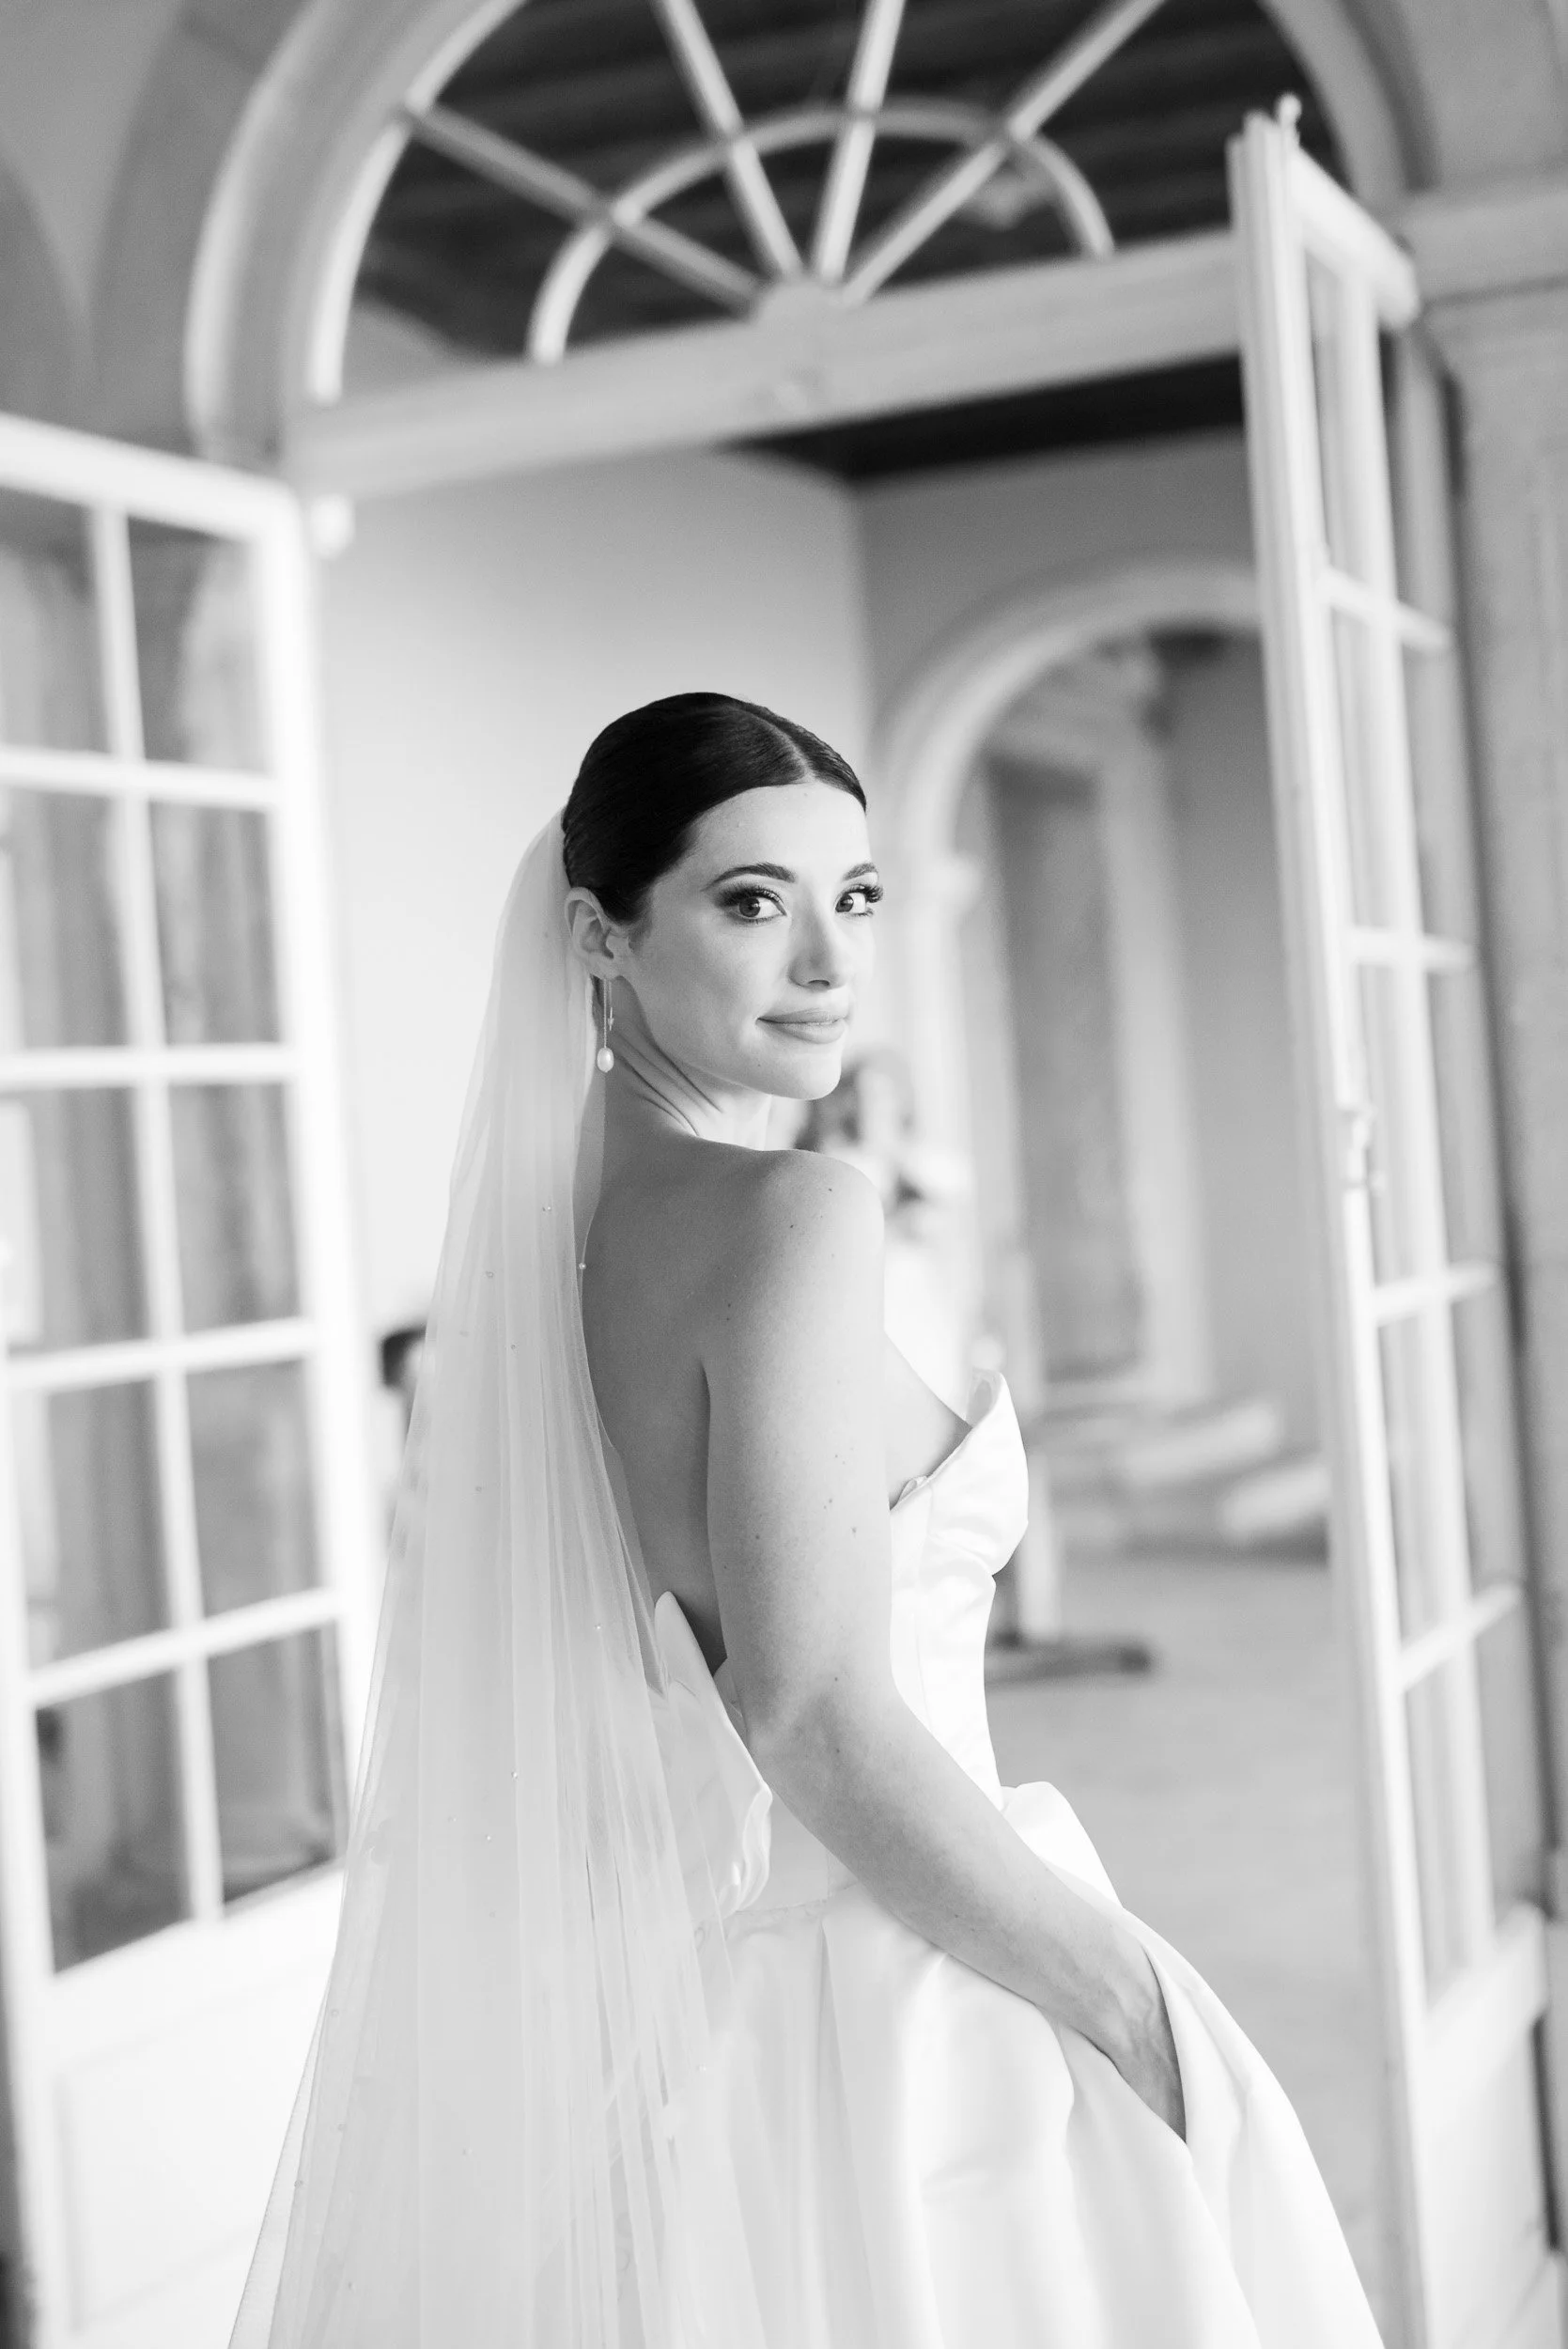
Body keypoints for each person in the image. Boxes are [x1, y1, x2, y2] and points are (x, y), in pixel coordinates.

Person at [229, 692, 1382, 2347]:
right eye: (754, 901)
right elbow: (812, 1714)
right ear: (600, 935)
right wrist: (1132, 2004)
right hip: (922, 1997)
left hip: (729, 2003)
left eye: (857, 897)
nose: (831, 963)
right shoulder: (793, 1214)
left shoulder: (550, 1250)